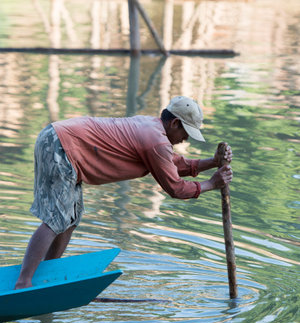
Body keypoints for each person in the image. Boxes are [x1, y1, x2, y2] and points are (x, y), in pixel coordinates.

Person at [15, 95, 233, 290]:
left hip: (61, 143)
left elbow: (172, 163)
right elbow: (175, 188)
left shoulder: (153, 129)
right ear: (175, 123)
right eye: (186, 133)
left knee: (70, 219)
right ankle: (23, 283)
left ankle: (47, 272)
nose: (185, 139)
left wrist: (213, 163)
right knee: (56, 219)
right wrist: (211, 184)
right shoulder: (155, 140)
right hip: (61, 146)